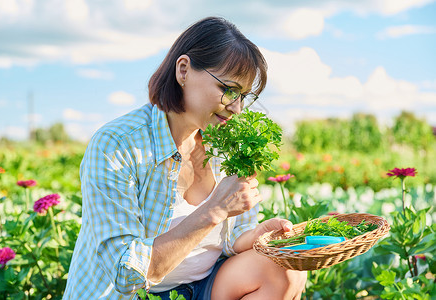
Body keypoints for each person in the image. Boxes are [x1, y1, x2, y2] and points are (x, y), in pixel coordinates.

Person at [63, 17, 307, 300]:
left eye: (243, 95)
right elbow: (124, 273)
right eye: (228, 90)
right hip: (136, 294)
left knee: (285, 269)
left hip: (203, 286)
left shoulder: (226, 144)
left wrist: (255, 236)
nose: (236, 108)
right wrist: (214, 210)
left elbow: (228, 240)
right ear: (183, 70)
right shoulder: (117, 144)